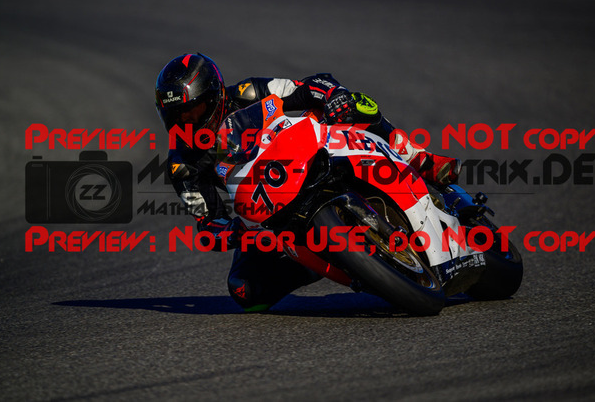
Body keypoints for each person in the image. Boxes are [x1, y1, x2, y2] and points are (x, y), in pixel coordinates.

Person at [155, 53, 460, 312]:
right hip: (269, 210)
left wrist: (333, 95)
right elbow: (208, 221)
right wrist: (229, 232)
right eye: (176, 117)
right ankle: (335, 259)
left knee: (356, 104)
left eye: (193, 111)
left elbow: (308, 86)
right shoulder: (182, 165)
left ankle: (418, 158)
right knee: (244, 291)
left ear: (216, 96)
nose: (186, 122)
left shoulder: (248, 92)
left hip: (304, 155)